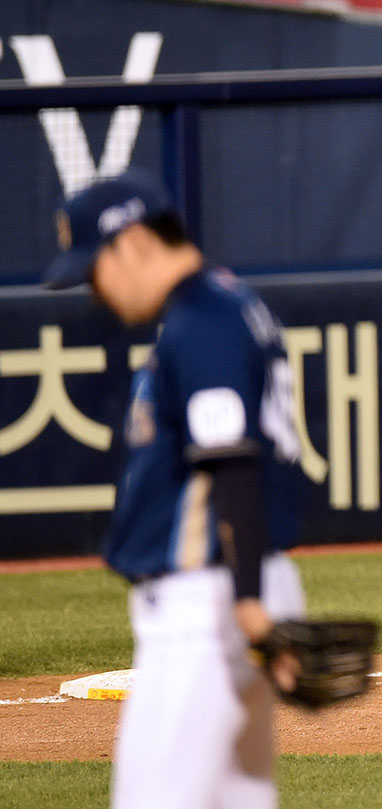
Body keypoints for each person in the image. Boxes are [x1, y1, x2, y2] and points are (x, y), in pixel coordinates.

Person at [46, 168, 306, 807]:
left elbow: (233, 462)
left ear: (131, 242)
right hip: (234, 588)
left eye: (93, 270)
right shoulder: (228, 302)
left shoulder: (202, 321)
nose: (95, 293)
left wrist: (248, 606)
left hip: (205, 607)